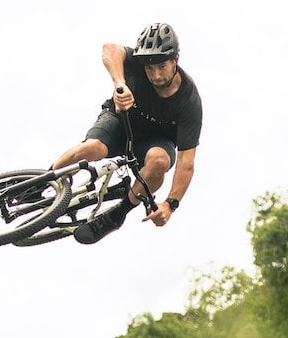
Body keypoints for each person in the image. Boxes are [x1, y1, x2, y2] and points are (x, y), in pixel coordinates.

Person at [49, 22, 203, 244]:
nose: (156, 75)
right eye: (149, 68)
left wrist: (170, 204)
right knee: (93, 148)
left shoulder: (189, 101)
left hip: (155, 141)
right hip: (121, 122)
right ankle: (43, 181)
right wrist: (120, 83)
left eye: (162, 67)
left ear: (175, 60)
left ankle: (117, 214)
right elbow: (109, 48)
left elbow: (186, 162)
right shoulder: (135, 62)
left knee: (159, 161)